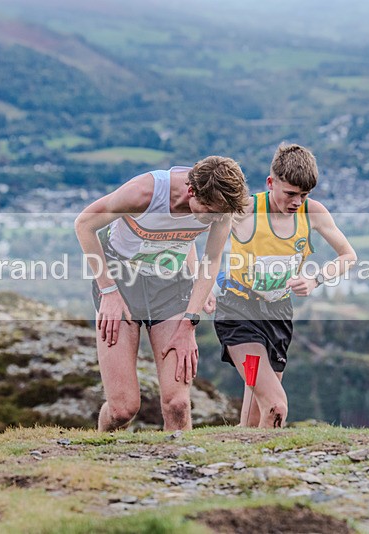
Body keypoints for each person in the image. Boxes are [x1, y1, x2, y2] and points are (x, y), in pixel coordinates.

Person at [74, 156, 248, 431]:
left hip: (170, 286)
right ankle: (102, 448)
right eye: (211, 213)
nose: (217, 220)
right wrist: (108, 291)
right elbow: (84, 224)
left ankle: (183, 459)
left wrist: (191, 318)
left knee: (178, 405)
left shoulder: (221, 208)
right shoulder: (143, 193)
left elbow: (212, 258)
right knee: (122, 410)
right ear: (191, 191)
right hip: (120, 282)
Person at [211, 143, 357, 428]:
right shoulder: (246, 210)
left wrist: (315, 279)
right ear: (271, 183)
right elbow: (209, 248)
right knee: (276, 406)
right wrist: (204, 289)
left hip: (278, 316)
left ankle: (249, 456)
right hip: (239, 314)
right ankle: (268, 455)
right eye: (290, 193)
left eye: (304, 195)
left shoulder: (312, 213)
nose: (297, 202)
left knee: (255, 419)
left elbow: (348, 256)